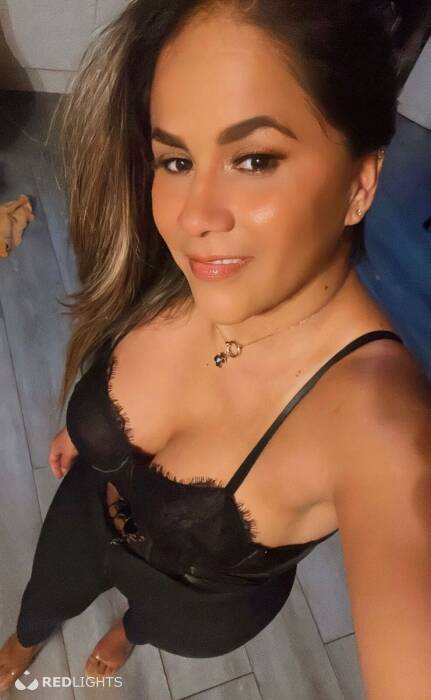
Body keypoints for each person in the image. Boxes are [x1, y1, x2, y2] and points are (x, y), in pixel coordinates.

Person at [1, 0, 430, 695]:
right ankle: (23, 641)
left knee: (150, 625)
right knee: (44, 596)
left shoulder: (377, 422)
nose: (193, 215)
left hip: (197, 608)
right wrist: (86, 426)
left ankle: (129, 631)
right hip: (85, 509)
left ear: (359, 184)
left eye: (254, 159)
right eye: (175, 160)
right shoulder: (187, 267)